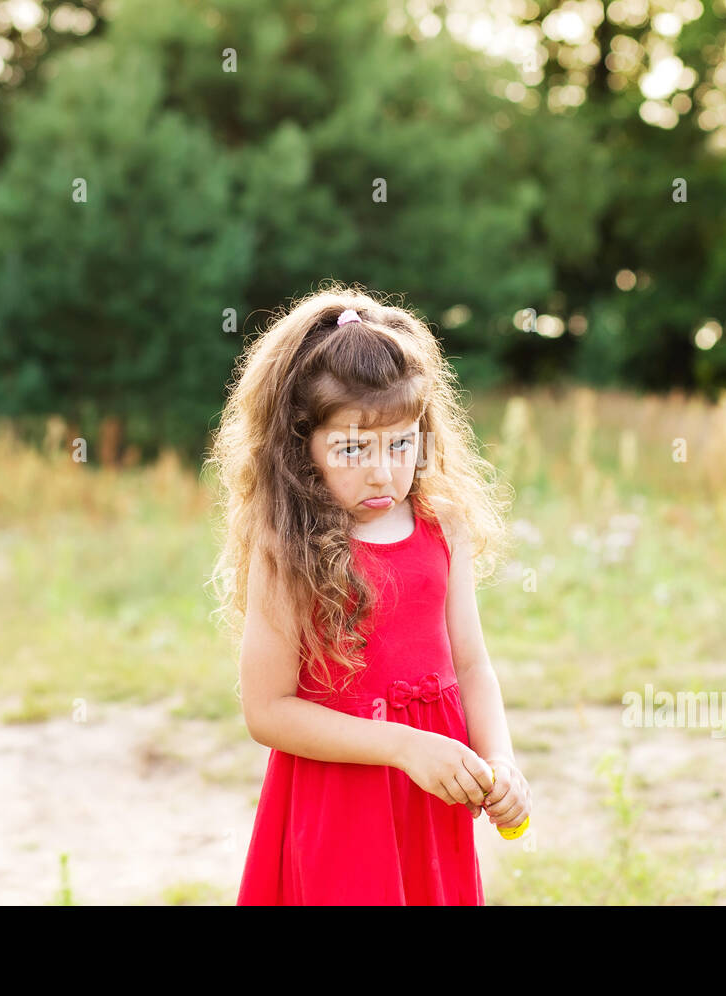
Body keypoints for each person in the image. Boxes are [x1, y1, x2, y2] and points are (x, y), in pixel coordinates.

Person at [204, 283, 531, 905]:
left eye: (401, 442)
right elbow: (266, 710)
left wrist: (501, 759)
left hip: (429, 801)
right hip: (341, 807)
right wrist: (404, 746)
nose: (383, 470)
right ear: (302, 448)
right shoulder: (289, 548)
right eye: (352, 448)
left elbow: (470, 664)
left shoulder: (443, 524)